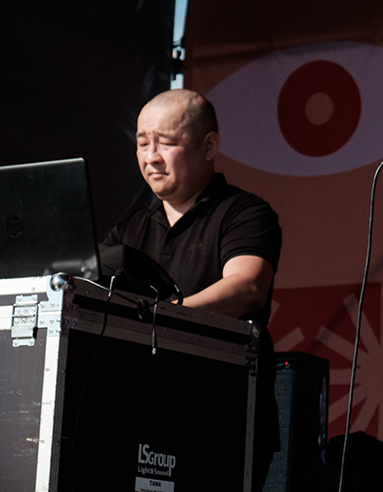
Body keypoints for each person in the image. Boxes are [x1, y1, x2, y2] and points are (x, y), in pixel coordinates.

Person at [102, 88, 282, 488]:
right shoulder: (129, 229)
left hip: (221, 416)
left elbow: (247, 286)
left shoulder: (244, 213)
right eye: (142, 143)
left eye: (165, 143)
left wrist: (162, 317)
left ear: (209, 146)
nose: (151, 157)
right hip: (138, 414)